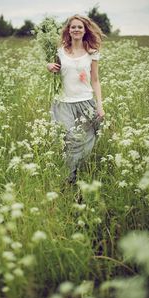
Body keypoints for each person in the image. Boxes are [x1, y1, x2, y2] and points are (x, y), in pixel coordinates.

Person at [47, 14, 105, 186]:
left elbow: (95, 80)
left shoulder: (92, 53)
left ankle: (77, 173)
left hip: (85, 102)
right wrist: (48, 66)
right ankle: (69, 179)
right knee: (70, 139)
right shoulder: (58, 51)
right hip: (63, 103)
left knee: (85, 141)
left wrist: (99, 105)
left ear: (85, 30)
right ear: (68, 30)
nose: (76, 29)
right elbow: (53, 69)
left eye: (80, 27)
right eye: (73, 27)